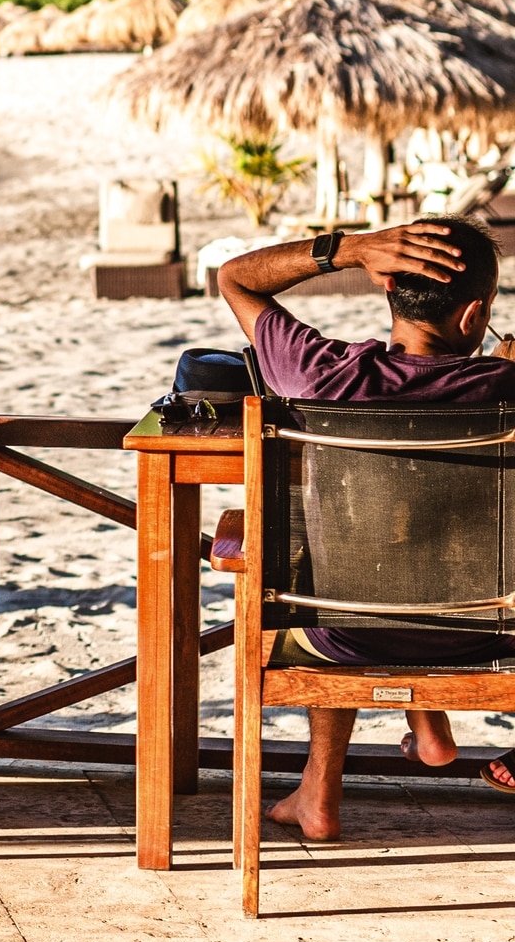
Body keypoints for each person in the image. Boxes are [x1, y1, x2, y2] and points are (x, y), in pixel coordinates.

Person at [218, 214, 515, 836]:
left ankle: (319, 790)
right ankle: (427, 722)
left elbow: (236, 278)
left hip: (346, 634)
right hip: (490, 636)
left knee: (337, 578)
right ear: (473, 317)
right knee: (437, 544)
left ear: (388, 288)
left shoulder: (321, 375)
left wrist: (346, 250)